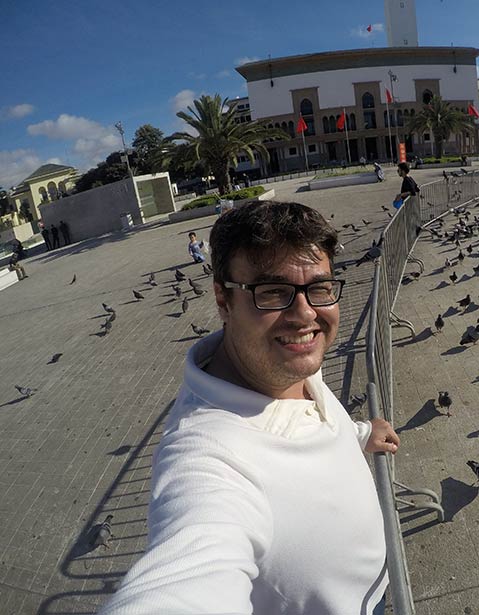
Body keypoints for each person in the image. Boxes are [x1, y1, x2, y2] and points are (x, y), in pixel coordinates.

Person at [100, 201, 399, 614]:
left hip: (379, 592)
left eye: (320, 287)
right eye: (272, 292)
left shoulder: (283, 363)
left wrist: (361, 433)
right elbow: (187, 575)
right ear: (223, 300)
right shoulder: (206, 455)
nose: (305, 314)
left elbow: (307, 420)